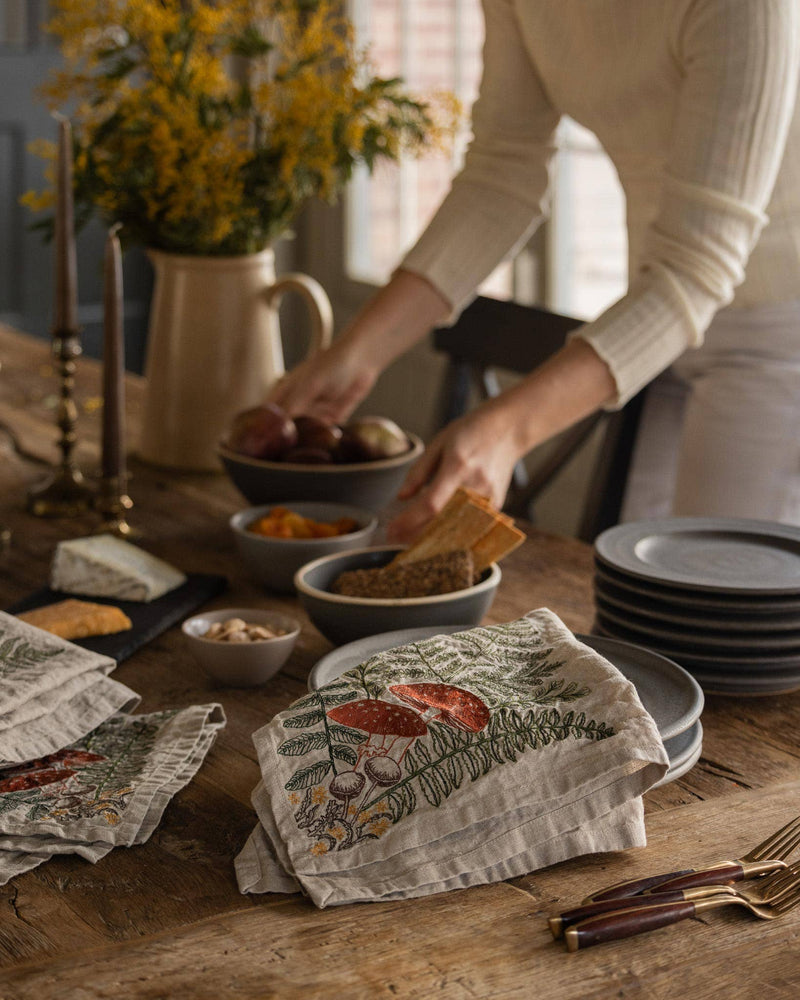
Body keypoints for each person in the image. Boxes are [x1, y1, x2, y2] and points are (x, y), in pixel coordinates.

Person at [270, 0, 800, 541]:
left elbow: (696, 262)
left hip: (778, 331)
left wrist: (506, 430)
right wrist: (356, 355)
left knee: (710, 596)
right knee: (633, 588)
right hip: (655, 309)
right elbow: (503, 173)